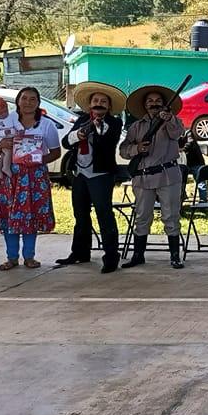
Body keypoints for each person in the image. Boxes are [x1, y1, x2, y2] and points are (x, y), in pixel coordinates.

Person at [0, 87, 61, 270]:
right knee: (8, 216)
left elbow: (56, 152)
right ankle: (11, 257)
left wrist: (37, 159)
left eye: (32, 99)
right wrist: (2, 144)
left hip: (34, 176)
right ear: (17, 101)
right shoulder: (4, 121)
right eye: (24, 98)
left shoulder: (46, 125)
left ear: (38, 102)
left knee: (30, 215)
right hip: (8, 175)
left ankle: (29, 256)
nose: (28, 102)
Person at [56, 82, 126, 273]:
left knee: (104, 215)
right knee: (80, 215)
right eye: (95, 101)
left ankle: (111, 256)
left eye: (103, 101)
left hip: (101, 175)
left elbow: (106, 141)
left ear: (109, 106)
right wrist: (80, 134)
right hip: (80, 173)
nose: (99, 104)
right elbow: (66, 142)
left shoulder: (114, 123)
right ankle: (80, 252)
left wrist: (96, 127)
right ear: (89, 105)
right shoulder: (81, 120)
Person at [119, 85, 187, 269]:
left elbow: (178, 134)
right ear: (145, 105)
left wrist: (169, 119)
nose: (154, 104)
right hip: (142, 177)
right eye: (150, 101)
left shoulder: (173, 121)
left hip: (168, 175)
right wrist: (137, 149)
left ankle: (175, 256)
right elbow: (124, 150)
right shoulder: (136, 127)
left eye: (158, 101)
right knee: (142, 217)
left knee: (171, 217)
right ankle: (138, 255)